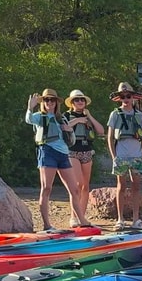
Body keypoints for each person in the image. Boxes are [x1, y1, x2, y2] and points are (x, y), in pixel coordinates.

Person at [25, 88, 92, 231]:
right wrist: (30, 107)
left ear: (56, 102)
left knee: (74, 189)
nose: (50, 102)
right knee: (46, 188)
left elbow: (71, 138)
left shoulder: (61, 118)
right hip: (47, 152)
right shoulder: (39, 116)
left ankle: (82, 219)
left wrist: (68, 130)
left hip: (63, 154)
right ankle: (47, 224)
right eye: (47, 100)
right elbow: (28, 119)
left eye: (52, 100)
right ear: (43, 102)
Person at [107, 82, 142, 229]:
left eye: (128, 96)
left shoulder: (139, 115)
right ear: (119, 98)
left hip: (136, 155)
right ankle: (120, 219)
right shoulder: (115, 114)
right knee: (121, 186)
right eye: (123, 96)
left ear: (133, 98)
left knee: (136, 186)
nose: (126, 99)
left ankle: (136, 219)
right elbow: (110, 137)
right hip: (121, 155)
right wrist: (114, 156)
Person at [62, 89, 105, 226]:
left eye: (82, 100)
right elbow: (62, 127)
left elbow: (101, 131)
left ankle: (82, 216)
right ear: (72, 103)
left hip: (87, 151)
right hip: (72, 151)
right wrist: (77, 120)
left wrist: (89, 117)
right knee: (77, 184)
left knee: (85, 186)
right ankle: (74, 216)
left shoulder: (88, 117)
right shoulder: (66, 115)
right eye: (77, 100)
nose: (80, 102)